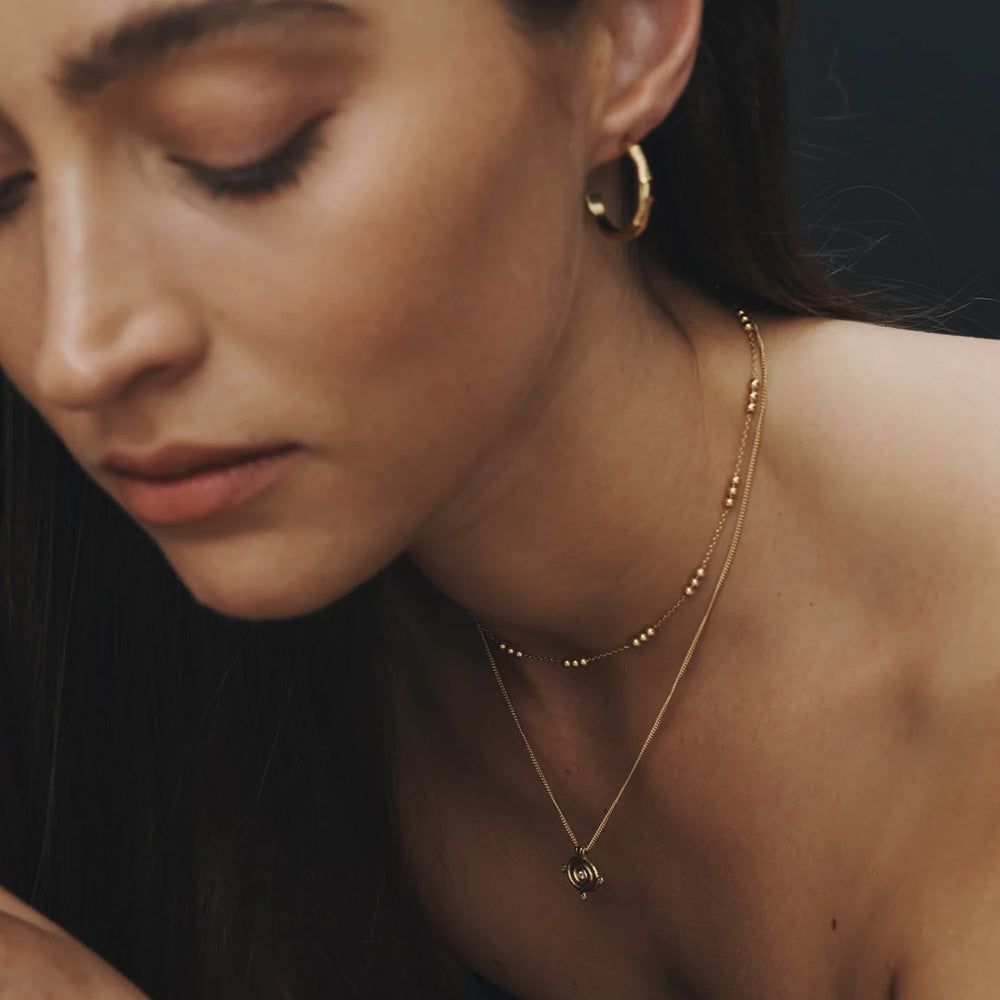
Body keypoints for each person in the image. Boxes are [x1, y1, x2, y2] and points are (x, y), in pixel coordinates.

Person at [0, 0, 998, 997]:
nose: (77, 354)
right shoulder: (124, 645)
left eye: (235, 145)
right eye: (3, 191)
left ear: (627, 38)